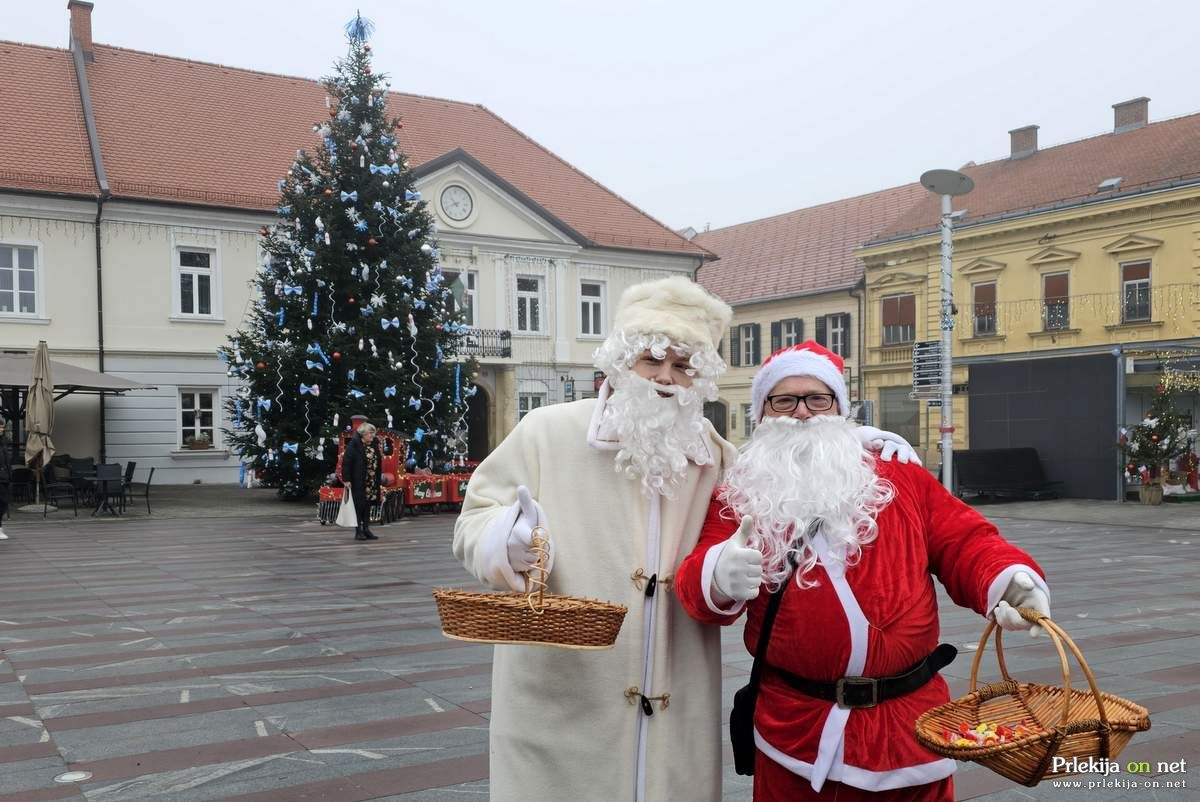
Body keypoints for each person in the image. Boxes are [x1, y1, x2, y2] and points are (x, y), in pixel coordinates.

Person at [452, 278, 918, 802]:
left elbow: (786, 479)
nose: (666, 379)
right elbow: (475, 518)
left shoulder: (716, 457)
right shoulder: (546, 431)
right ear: (622, 363)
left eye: (683, 366)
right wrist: (505, 542)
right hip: (565, 692)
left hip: (674, 700)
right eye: (652, 360)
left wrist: (849, 443)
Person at [675, 341, 1052, 801]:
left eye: (818, 398)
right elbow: (696, 577)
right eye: (785, 400)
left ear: (839, 407)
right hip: (795, 728)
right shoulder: (740, 493)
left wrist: (1010, 580)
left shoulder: (901, 477)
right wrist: (717, 574)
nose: (803, 413)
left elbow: (965, 540)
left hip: (907, 727)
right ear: (763, 413)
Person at [341, 421, 382, 541]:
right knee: (359, 506)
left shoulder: (374, 444)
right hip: (359, 480)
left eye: (373, 433)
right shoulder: (354, 445)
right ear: (363, 434)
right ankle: (358, 530)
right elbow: (346, 463)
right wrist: (347, 479)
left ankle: (366, 529)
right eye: (370, 433)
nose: (372, 436)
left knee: (367, 505)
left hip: (372, 480)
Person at [0, 418, 9, 540]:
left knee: (3, 503)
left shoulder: (3, 441)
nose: (2, 429)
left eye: (2, 427)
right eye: (0, 427)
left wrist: (9, 474)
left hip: (4, 478)